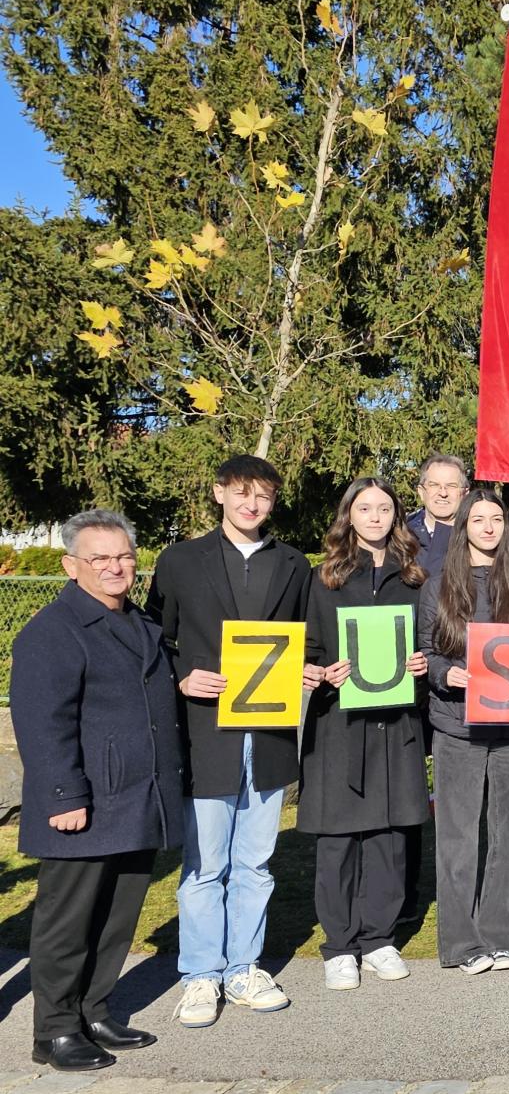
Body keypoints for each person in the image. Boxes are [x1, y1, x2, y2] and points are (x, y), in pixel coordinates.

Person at [13, 510, 183, 1071]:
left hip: (137, 797)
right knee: (69, 921)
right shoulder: (53, 631)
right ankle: (55, 1030)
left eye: (125, 556)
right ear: (72, 565)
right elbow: (43, 724)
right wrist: (63, 797)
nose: (116, 567)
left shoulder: (139, 622)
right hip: (84, 803)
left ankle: (95, 1009)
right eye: (101, 558)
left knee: (117, 915)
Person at [149, 454, 310, 1028]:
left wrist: (307, 671)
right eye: (241, 493)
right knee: (204, 864)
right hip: (205, 734)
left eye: (263, 496)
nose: (252, 504)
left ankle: (244, 967)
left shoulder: (293, 564)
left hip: (266, 736)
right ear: (219, 493)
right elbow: (153, 640)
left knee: (256, 863)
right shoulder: (180, 560)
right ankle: (199, 975)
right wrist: (182, 676)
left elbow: (304, 643)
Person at [419, 488, 509, 973]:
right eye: (477, 518)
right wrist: (444, 674)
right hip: (458, 726)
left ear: (506, 527)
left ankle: (504, 935)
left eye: (496, 518)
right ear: (464, 526)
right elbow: (427, 654)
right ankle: (462, 943)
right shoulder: (436, 586)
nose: (488, 526)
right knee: (457, 836)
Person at [301, 477, 431, 991]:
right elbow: (306, 647)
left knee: (391, 837)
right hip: (340, 725)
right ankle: (339, 945)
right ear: (348, 516)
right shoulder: (324, 579)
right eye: (364, 508)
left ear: (395, 517)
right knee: (339, 839)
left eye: (384, 508)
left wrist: (422, 664)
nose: (375, 516)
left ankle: (378, 938)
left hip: (396, 725)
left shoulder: (414, 579)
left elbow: (429, 641)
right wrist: (319, 671)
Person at [407, 454, 469, 576]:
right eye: (434, 485)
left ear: (465, 493)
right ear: (421, 492)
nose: (443, 493)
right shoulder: (400, 537)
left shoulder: (477, 538)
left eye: (451, 486)